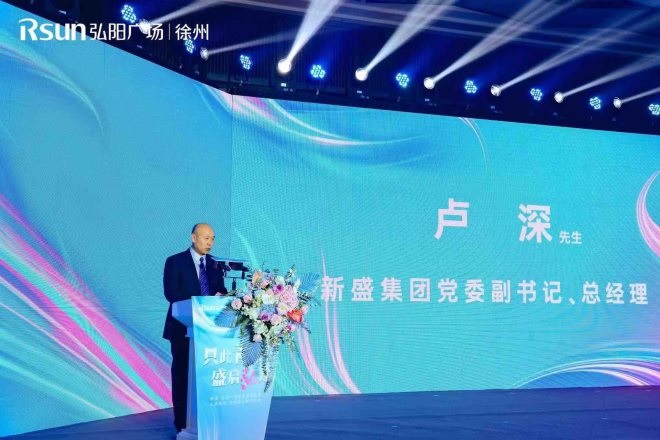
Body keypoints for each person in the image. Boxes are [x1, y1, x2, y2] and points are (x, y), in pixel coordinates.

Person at [162, 223, 228, 432]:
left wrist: (222, 296)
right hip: (183, 328)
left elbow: (220, 290)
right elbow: (171, 294)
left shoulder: (215, 264)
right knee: (182, 376)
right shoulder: (175, 261)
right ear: (193, 237)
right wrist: (202, 302)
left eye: (213, 238)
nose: (210, 242)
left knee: (207, 377)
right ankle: (182, 424)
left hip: (209, 330)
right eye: (206, 238)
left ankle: (205, 422)